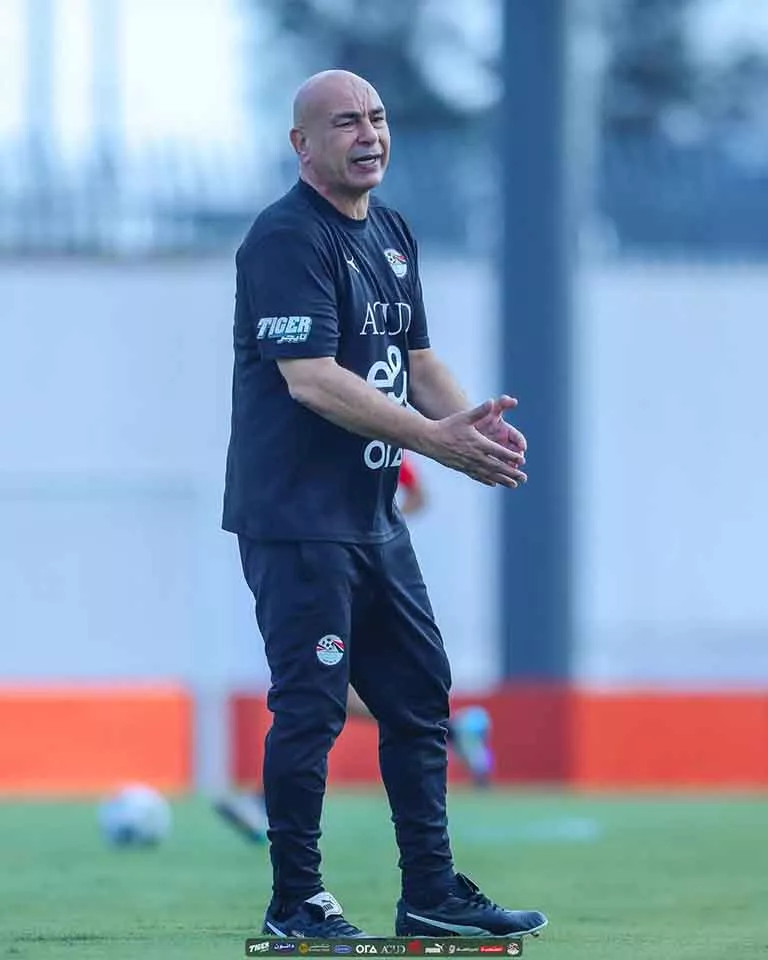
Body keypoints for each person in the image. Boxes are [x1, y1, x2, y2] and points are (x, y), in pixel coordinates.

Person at [222, 69, 547, 939]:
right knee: (313, 704)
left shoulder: (392, 232)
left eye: (376, 117)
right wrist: (433, 441)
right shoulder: (285, 238)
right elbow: (311, 379)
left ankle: (430, 893)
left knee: (418, 696)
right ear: (302, 145)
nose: (368, 135)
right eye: (344, 123)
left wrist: (470, 425)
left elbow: (418, 358)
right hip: (296, 520)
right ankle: (296, 902)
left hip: (371, 517)